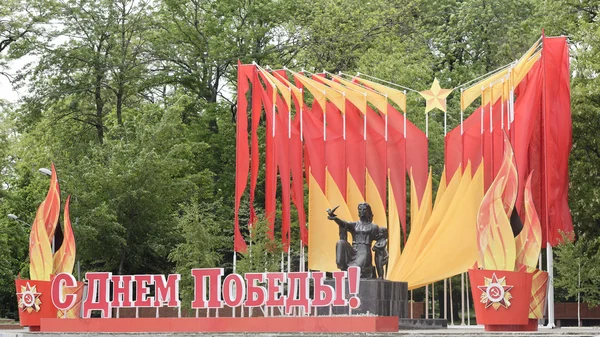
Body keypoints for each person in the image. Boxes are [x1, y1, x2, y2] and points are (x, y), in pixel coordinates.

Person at [327, 203, 388, 278]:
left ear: (368, 211)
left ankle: (358, 273)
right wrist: (335, 218)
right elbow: (344, 224)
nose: (362, 211)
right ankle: (342, 266)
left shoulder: (373, 227)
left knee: (357, 268)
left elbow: (381, 239)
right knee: (340, 243)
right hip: (353, 250)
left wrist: (383, 251)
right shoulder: (355, 224)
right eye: (360, 209)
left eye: (364, 209)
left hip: (364, 251)